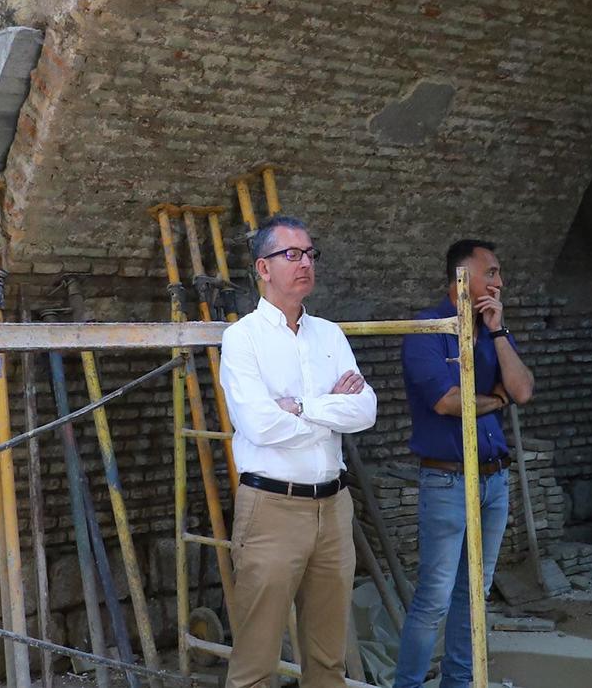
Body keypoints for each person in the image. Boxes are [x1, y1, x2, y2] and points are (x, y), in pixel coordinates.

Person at [216, 215, 378, 688]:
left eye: (310, 254)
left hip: (333, 507)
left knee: (328, 660)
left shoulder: (330, 335)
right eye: (292, 254)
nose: (305, 263)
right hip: (272, 508)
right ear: (262, 268)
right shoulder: (242, 338)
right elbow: (259, 425)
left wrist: (303, 407)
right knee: (255, 663)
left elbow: (365, 410)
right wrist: (331, 411)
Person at [393, 240, 536, 688]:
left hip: (494, 479)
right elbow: (447, 401)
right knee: (434, 597)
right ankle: (409, 685)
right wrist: (497, 399)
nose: (499, 282)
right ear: (462, 277)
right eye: (490, 273)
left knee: (474, 594)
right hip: (448, 480)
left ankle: (458, 683)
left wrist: (498, 331)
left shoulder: (489, 331)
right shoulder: (426, 330)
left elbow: (524, 390)